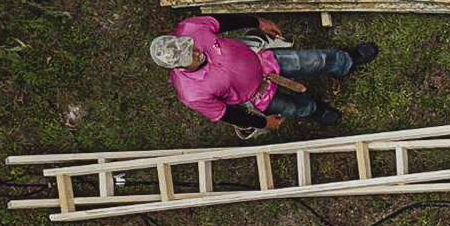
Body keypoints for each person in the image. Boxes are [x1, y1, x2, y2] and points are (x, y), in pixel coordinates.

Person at [148, 15, 377, 138]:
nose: (197, 50)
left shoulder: (191, 28)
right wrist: (263, 122)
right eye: (191, 55)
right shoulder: (191, 93)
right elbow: (228, 114)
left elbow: (224, 22)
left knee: (313, 59)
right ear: (178, 66)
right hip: (259, 96)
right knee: (291, 107)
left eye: (191, 46)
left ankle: (346, 61)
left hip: (265, 60)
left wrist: (259, 23)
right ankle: (314, 109)